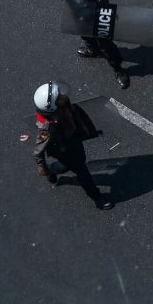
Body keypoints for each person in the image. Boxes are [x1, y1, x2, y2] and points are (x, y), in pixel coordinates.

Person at [37, 0, 130, 89]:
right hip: (78, 13)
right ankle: (92, 49)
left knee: (106, 46)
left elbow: (102, 1)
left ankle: (118, 69)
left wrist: (103, 19)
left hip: (95, 15)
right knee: (86, 36)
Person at [32, 82, 113, 210]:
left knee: (74, 163)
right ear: (52, 107)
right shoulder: (46, 128)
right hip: (64, 149)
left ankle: (52, 170)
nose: (63, 96)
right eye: (59, 97)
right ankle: (97, 198)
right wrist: (41, 167)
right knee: (82, 172)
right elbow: (38, 151)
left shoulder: (62, 104)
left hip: (73, 139)